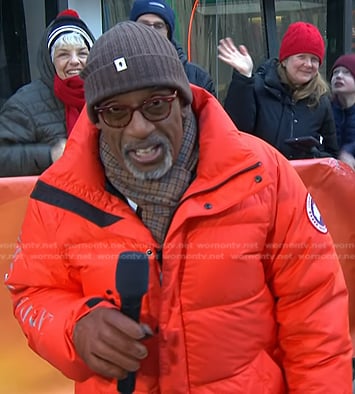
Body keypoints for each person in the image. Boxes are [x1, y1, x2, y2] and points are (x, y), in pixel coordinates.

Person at [5, 21, 352, 393]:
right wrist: (73, 329)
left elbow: (314, 315)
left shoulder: (264, 176)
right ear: (97, 119)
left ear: (183, 99)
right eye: (116, 112)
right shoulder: (60, 195)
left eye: (155, 104)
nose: (137, 127)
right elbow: (32, 293)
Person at [218, 21, 338, 160]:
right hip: (262, 177)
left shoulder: (320, 100)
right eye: (301, 57)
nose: (308, 64)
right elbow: (235, 132)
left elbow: (332, 155)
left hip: (301, 181)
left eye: (314, 59)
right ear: (285, 60)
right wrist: (243, 79)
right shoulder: (258, 88)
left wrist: (312, 154)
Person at [0, 9, 95, 177]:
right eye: (63, 54)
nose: (74, 61)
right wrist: (48, 155)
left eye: (82, 53)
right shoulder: (23, 104)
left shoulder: (103, 95)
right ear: (50, 61)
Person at [129, 0, 216, 97]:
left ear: (168, 33)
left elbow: (216, 112)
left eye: (158, 26)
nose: (151, 32)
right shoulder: (117, 74)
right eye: (144, 25)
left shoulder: (197, 79)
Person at [330, 54, 355, 170]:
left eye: (346, 72)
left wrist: (348, 151)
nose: (339, 76)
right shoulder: (324, 108)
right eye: (335, 72)